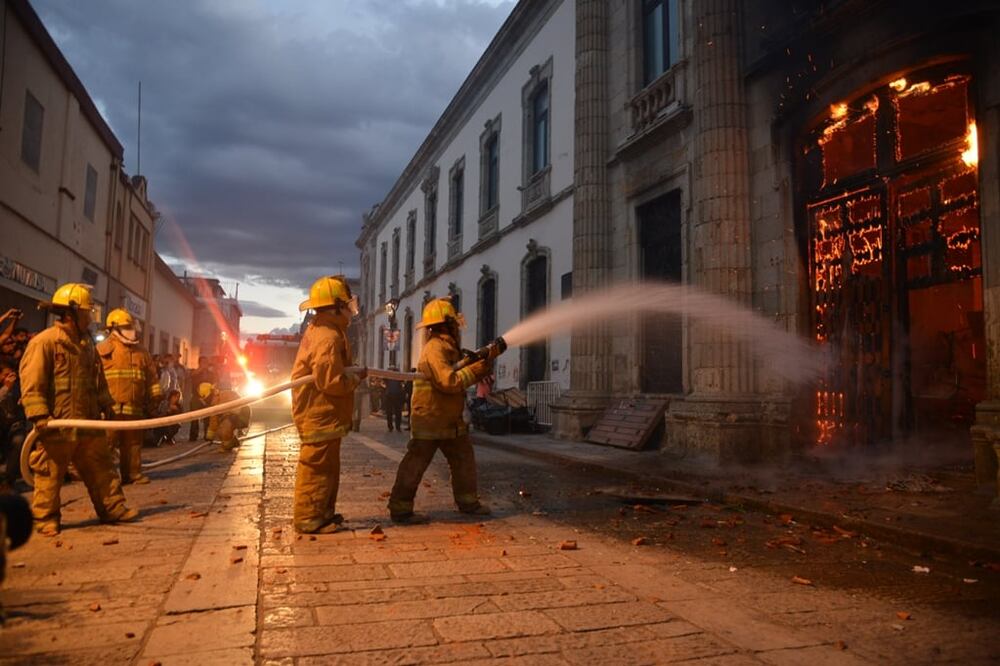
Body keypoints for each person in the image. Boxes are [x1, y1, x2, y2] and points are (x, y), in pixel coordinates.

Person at [18, 283, 138, 536]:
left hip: (88, 422)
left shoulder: (86, 346)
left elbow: (98, 381)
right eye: (87, 312)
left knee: (102, 468)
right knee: (49, 474)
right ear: (71, 314)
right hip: (57, 425)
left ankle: (113, 509)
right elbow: (32, 381)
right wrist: (40, 415)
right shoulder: (46, 343)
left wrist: (107, 405)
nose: (90, 318)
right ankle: (46, 519)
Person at [388, 298, 494, 523]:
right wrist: (474, 371)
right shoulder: (435, 349)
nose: (458, 329)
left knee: (464, 459)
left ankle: (468, 503)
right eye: (455, 324)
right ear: (448, 325)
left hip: (449, 420)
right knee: (416, 463)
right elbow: (448, 381)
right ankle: (400, 508)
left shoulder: (448, 348)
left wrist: (477, 363)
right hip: (430, 418)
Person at [290, 275, 365, 534]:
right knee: (317, 468)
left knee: (327, 467)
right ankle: (309, 519)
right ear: (335, 307)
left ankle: (323, 514)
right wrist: (355, 378)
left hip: (323, 413)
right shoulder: (328, 337)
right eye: (347, 305)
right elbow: (331, 381)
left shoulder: (324, 330)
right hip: (319, 412)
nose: (350, 311)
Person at [97, 309, 161, 484]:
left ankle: (133, 474)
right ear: (114, 329)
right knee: (108, 444)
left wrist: (155, 398)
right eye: (126, 327)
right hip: (111, 408)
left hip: (135, 406)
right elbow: (94, 378)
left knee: (133, 443)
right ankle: (107, 478)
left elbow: (152, 378)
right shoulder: (102, 350)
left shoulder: (142, 352)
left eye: (131, 326)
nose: (131, 331)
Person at [0, 357, 27, 490]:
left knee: (18, 441)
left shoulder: (17, 386)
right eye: (5, 375)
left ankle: (9, 479)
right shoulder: (4, 388)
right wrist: (5, 389)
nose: (9, 378)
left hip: (14, 426)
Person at [188, 356, 216, 441]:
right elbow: (191, 375)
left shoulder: (211, 374)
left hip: (208, 398)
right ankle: (193, 436)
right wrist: (201, 369)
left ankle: (207, 436)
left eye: (206, 362)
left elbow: (214, 384)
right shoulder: (195, 372)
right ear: (199, 363)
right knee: (194, 417)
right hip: (196, 397)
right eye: (203, 362)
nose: (205, 364)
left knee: (207, 418)